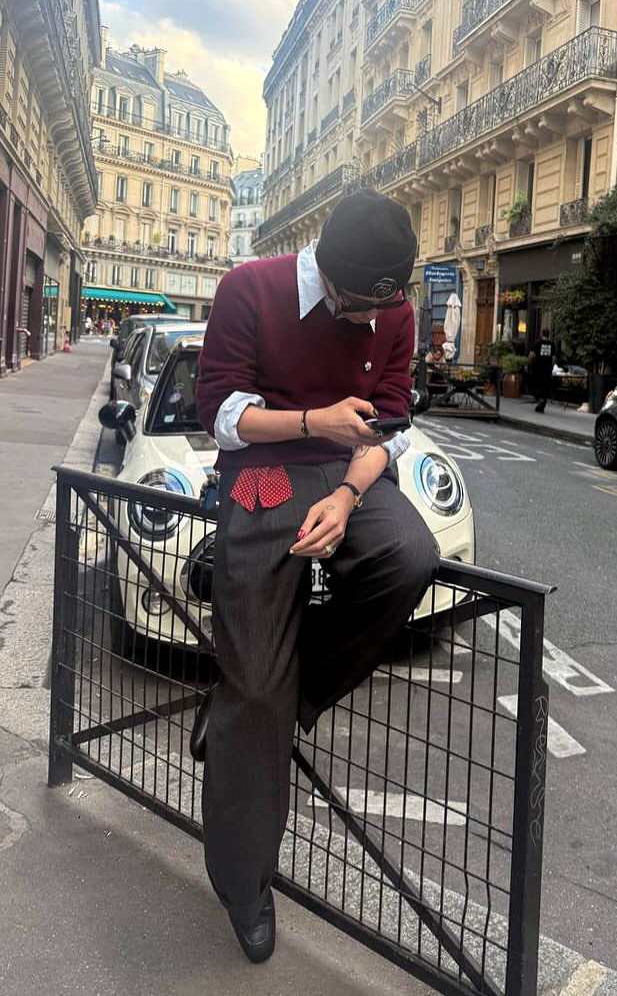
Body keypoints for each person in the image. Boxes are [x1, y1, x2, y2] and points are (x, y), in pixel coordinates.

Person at [195, 189, 439, 965]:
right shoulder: (251, 287)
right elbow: (220, 415)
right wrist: (313, 421)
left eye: (382, 307)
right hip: (262, 471)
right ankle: (244, 885)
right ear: (327, 274)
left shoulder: (393, 311)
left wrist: (346, 494)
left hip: (347, 475)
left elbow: (390, 425)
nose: (372, 322)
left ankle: (273, 687)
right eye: (359, 306)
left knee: (409, 556)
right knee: (253, 695)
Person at [528, 328, 556, 413]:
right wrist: (552, 367)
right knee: (545, 386)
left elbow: (531, 355)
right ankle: (542, 403)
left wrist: (529, 364)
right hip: (547, 369)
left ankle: (540, 399)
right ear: (548, 335)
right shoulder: (552, 344)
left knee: (536, 384)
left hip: (537, 368)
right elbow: (553, 358)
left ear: (541, 334)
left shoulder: (537, 344)